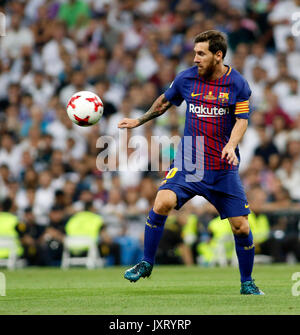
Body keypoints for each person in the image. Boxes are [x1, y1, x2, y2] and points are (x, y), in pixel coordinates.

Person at [118, 30, 264, 295]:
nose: (195, 58)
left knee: (241, 226)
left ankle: (247, 283)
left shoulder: (237, 84)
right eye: (195, 53)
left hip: (222, 168)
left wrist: (231, 145)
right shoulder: (186, 78)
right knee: (162, 201)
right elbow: (164, 102)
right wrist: (138, 121)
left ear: (218, 55)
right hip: (190, 161)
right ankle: (146, 263)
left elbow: (242, 120)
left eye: (201, 53)